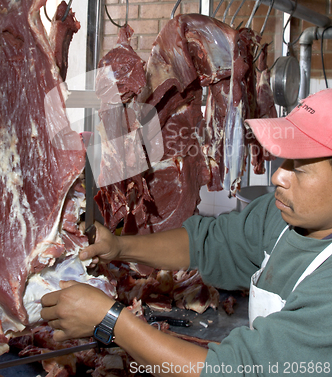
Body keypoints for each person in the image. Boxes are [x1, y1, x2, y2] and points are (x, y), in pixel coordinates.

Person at [41, 89, 332, 376]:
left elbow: (232, 371)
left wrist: (111, 321)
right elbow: (205, 243)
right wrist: (118, 246)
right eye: (285, 161)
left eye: (301, 168)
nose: (278, 175)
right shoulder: (278, 216)